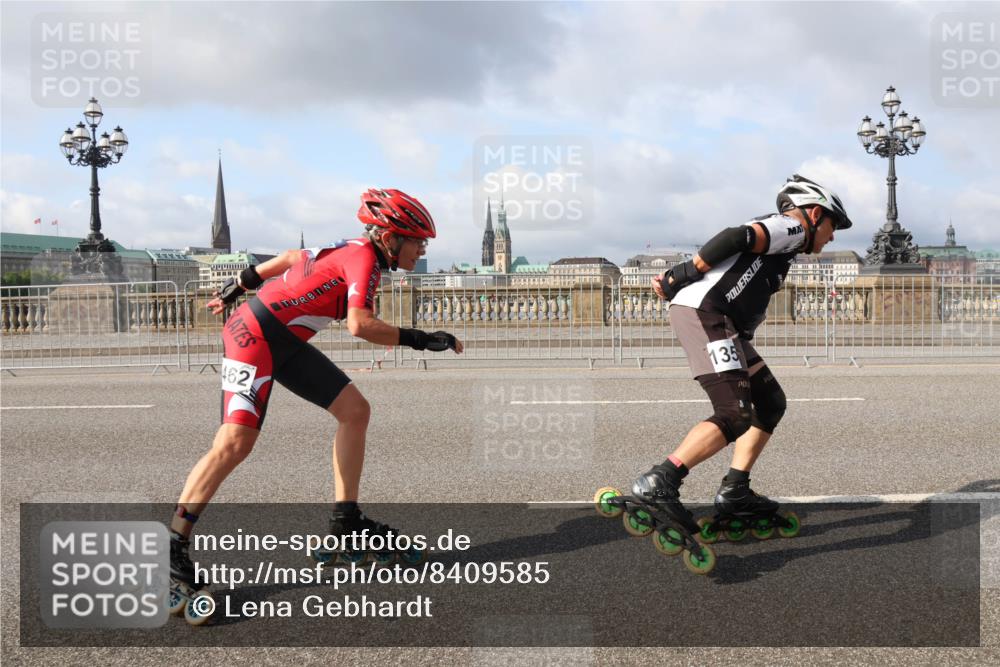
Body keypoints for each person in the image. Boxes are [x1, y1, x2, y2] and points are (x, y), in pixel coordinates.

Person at [169, 188, 463, 594]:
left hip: (284, 340)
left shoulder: (354, 248)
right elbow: (360, 324)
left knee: (355, 411)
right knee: (235, 443)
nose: (422, 248)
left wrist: (241, 282)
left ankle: (346, 520)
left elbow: (293, 258)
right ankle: (174, 544)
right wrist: (420, 338)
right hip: (252, 336)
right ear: (391, 237)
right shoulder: (364, 259)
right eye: (418, 241)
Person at [633, 174, 852, 535]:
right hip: (707, 316)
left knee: (770, 402)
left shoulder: (787, 244)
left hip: (719, 321)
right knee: (735, 412)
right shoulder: (792, 228)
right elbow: (736, 236)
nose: (833, 236)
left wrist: (680, 278)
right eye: (833, 225)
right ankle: (662, 480)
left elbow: (737, 271)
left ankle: (735, 490)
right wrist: (686, 272)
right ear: (814, 214)